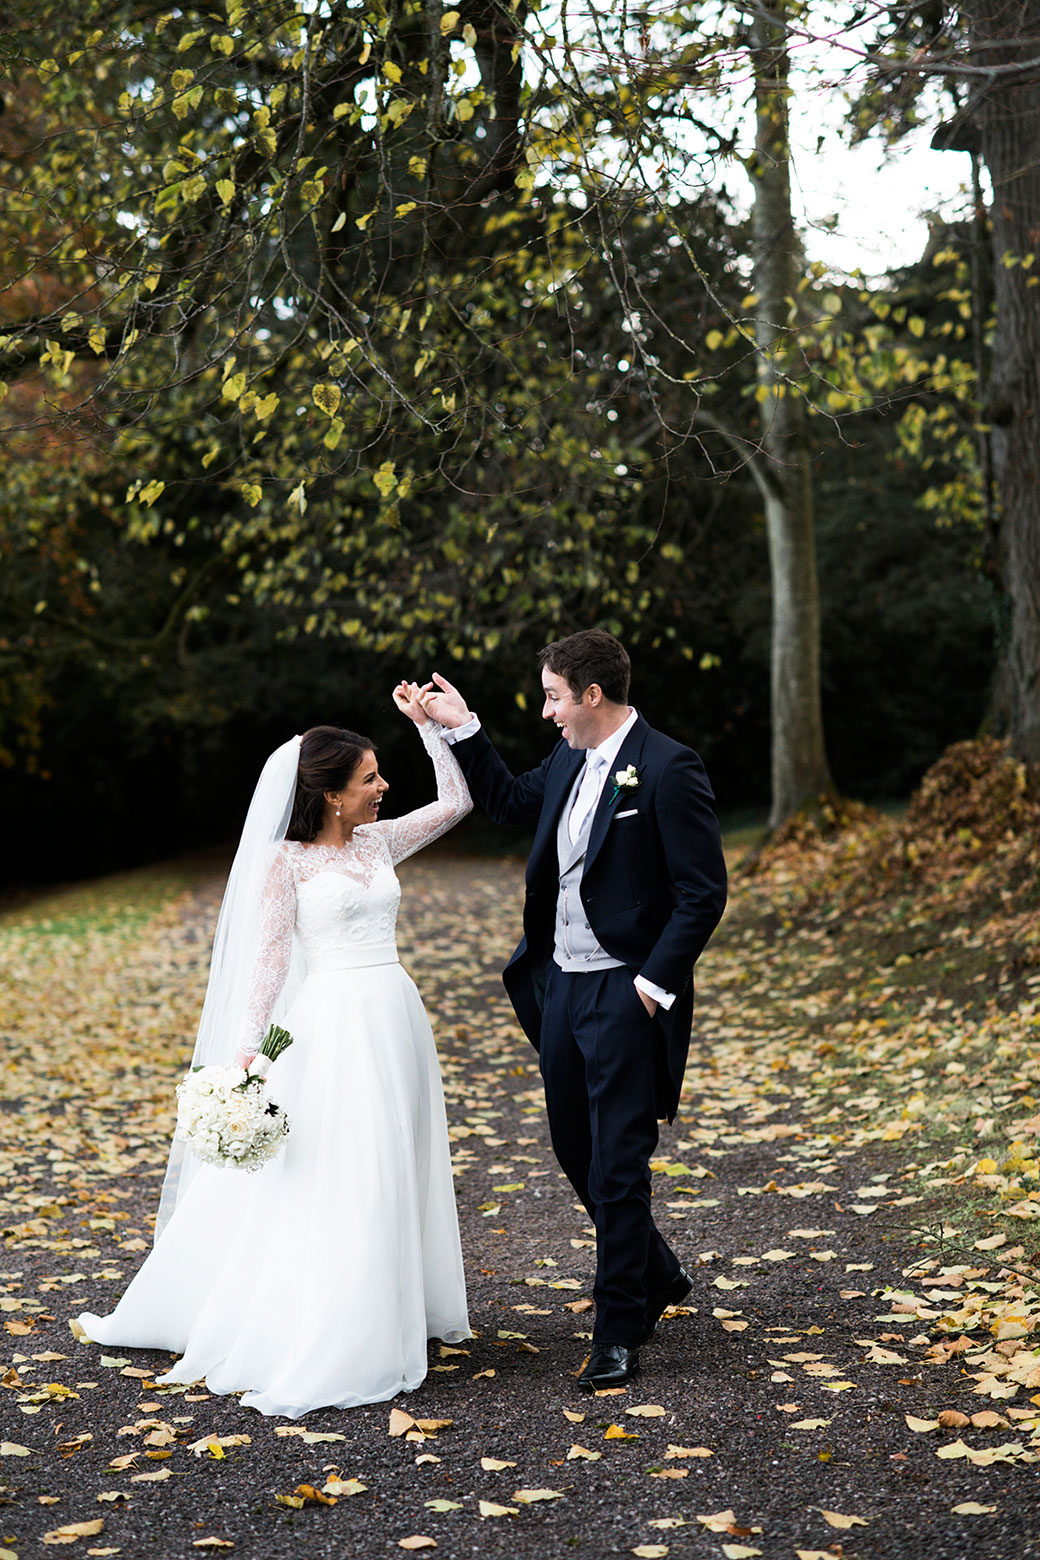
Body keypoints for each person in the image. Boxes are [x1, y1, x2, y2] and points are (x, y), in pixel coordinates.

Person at [77, 684, 472, 1417]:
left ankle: (391, 1302)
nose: (385, 788)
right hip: (333, 1024)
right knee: (347, 1167)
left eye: (382, 774)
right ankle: (341, 1321)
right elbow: (265, 964)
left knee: (396, 1155)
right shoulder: (286, 865)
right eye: (370, 780)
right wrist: (246, 1057)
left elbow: (456, 806)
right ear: (329, 794)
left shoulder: (376, 842)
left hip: (394, 1013)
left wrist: (431, 731)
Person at [420, 630, 727, 1389]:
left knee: (619, 1166)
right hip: (561, 984)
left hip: (626, 990)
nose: (549, 712)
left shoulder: (667, 766)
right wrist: (460, 726)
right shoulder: (567, 757)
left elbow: (703, 892)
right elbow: (503, 799)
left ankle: (618, 1326)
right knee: (572, 1148)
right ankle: (655, 1271)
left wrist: (651, 986)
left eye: (555, 696)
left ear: (592, 695)